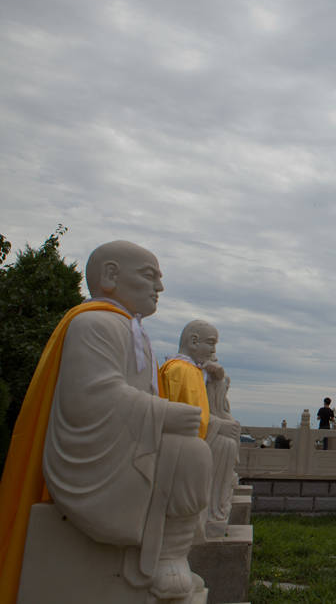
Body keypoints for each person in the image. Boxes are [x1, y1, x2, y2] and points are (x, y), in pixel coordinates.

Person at [0, 241, 211, 603]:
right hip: (95, 458)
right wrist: (164, 413)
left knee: (195, 451)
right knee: (191, 454)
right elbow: (92, 397)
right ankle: (166, 557)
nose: (159, 287)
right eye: (150, 276)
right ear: (111, 275)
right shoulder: (94, 323)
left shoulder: (132, 332)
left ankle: (171, 553)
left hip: (125, 443)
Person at [158, 320, 241, 537]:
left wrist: (218, 379)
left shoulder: (193, 370)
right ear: (193, 341)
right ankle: (212, 513)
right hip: (181, 445)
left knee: (229, 439)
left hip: (201, 434)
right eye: (211, 343)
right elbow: (186, 416)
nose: (214, 350)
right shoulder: (179, 370)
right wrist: (219, 426)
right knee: (225, 444)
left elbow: (209, 408)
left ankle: (215, 510)